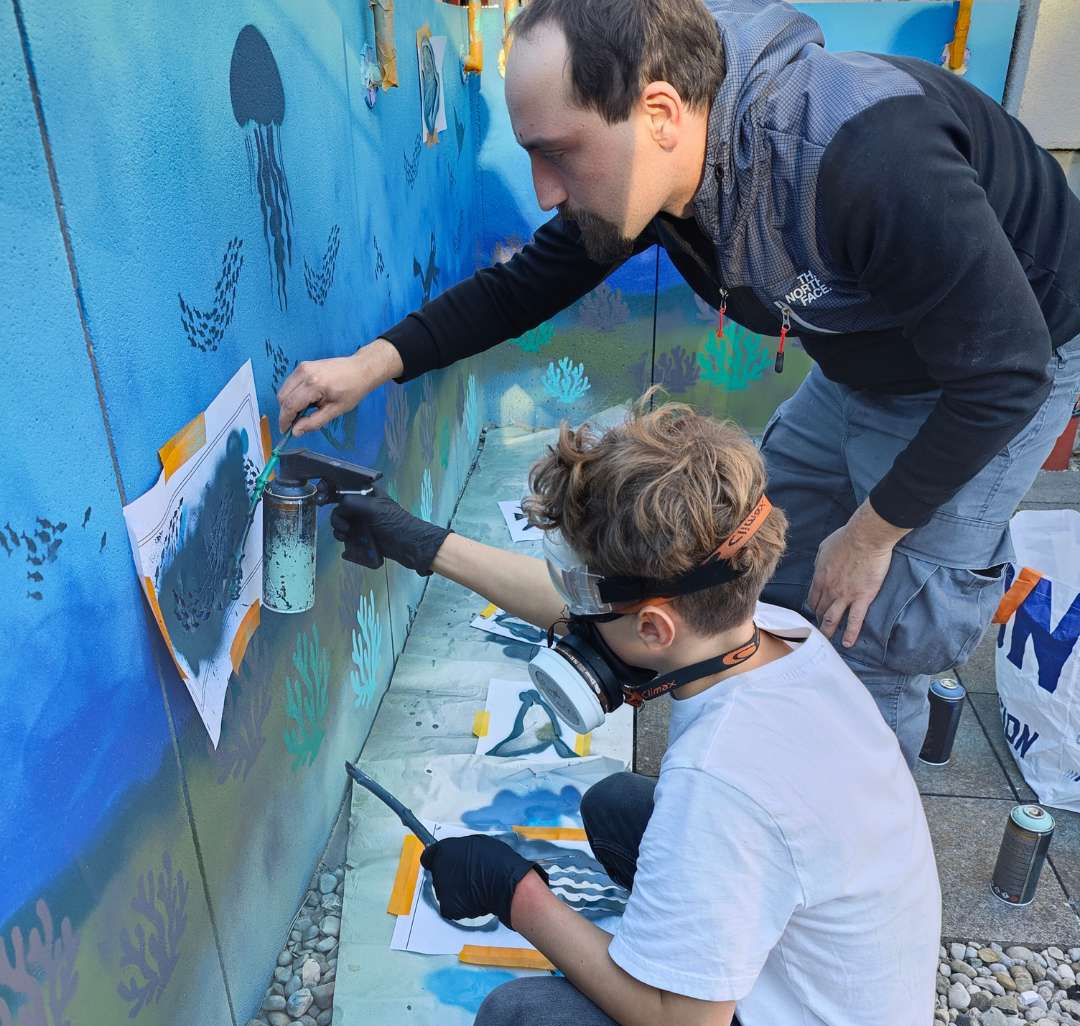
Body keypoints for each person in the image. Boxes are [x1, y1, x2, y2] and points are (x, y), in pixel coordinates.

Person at [280, 0, 1080, 764]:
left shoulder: (864, 159)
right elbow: (524, 286)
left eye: (557, 152)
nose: (546, 191)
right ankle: (764, 750)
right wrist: (373, 364)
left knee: (877, 621)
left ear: (660, 113)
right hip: (868, 350)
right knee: (754, 561)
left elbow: (1008, 372)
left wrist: (877, 530)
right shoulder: (658, 159)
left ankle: (836, 835)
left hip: (1004, 365)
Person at [330, 398, 942, 1026]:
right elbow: (576, 607)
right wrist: (417, 542)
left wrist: (515, 894)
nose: (577, 615)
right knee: (617, 807)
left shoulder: (720, 778)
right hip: (832, 989)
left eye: (591, 596)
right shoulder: (769, 632)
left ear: (655, 630)